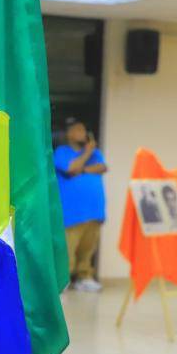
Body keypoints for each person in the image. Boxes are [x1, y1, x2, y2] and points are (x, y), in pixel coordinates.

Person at [54, 117, 108, 292]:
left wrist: (83, 169)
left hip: (94, 211)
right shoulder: (62, 151)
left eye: (83, 130)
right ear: (69, 134)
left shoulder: (95, 153)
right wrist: (86, 154)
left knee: (88, 248)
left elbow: (102, 167)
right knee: (68, 248)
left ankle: (84, 277)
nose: (82, 133)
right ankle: (64, 279)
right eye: (78, 130)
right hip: (73, 212)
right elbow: (70, 169)